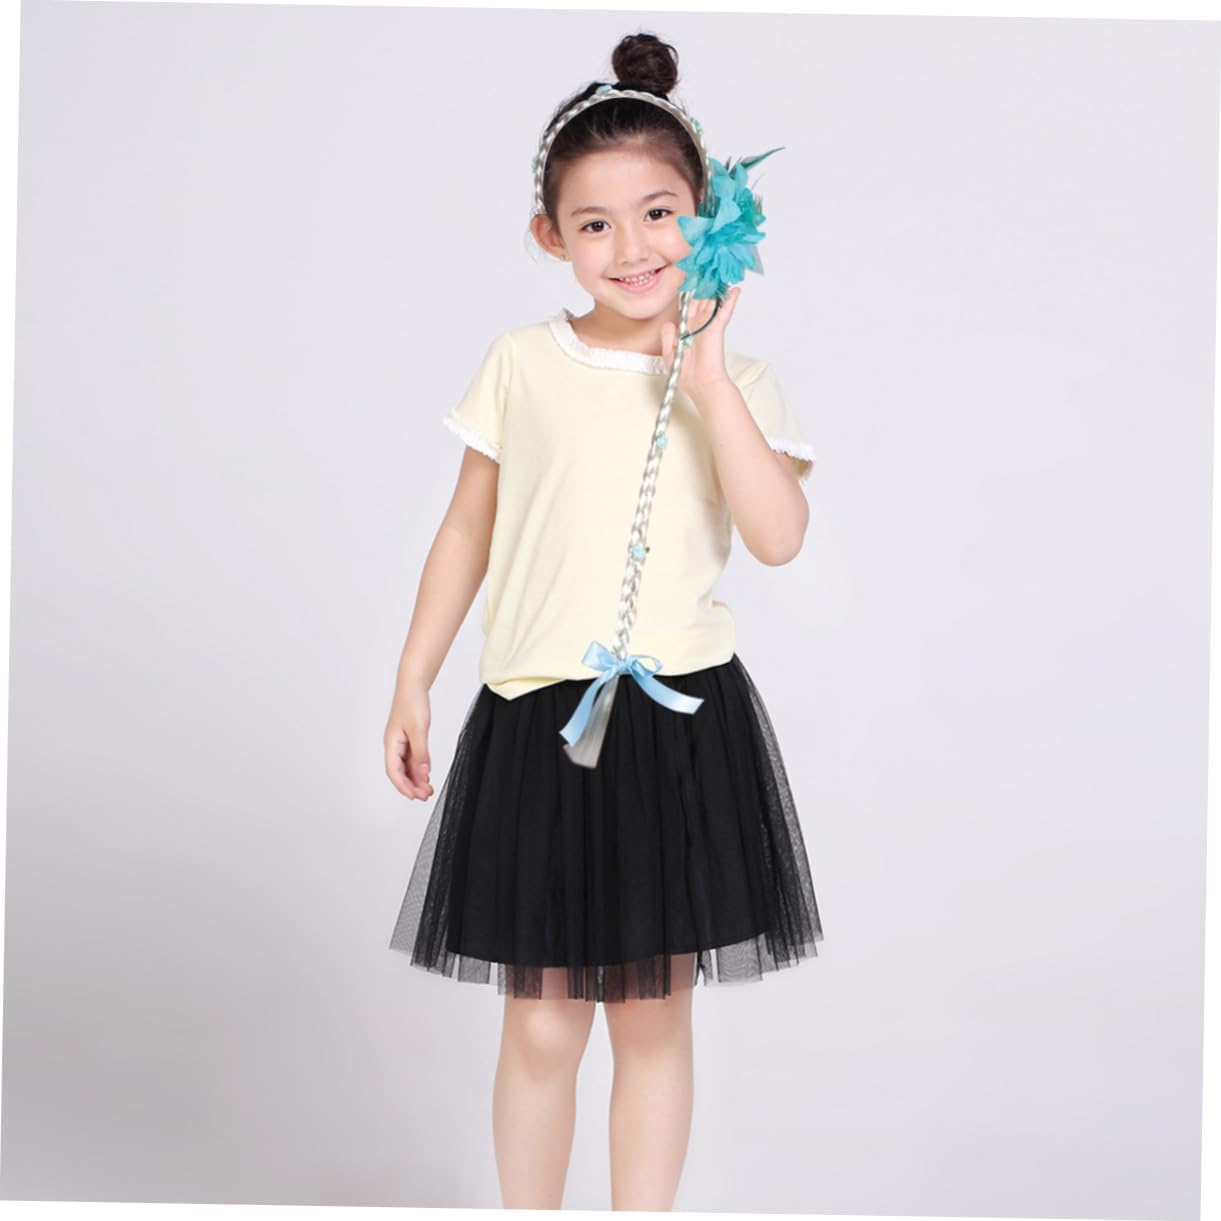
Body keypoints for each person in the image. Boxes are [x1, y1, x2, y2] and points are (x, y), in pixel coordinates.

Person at [383, 30, 824, 1212]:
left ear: (709, 215)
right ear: (551, 237)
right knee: (539, 1023)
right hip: (537, 718)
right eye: (595, 223)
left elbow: (779, 534)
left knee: (651, 1017)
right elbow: (467, 530)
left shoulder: (739, 383)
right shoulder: (523, 364)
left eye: (660, 214)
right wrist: (413, 678)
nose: (631, 248)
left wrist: (710, 376)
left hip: (676, 726)